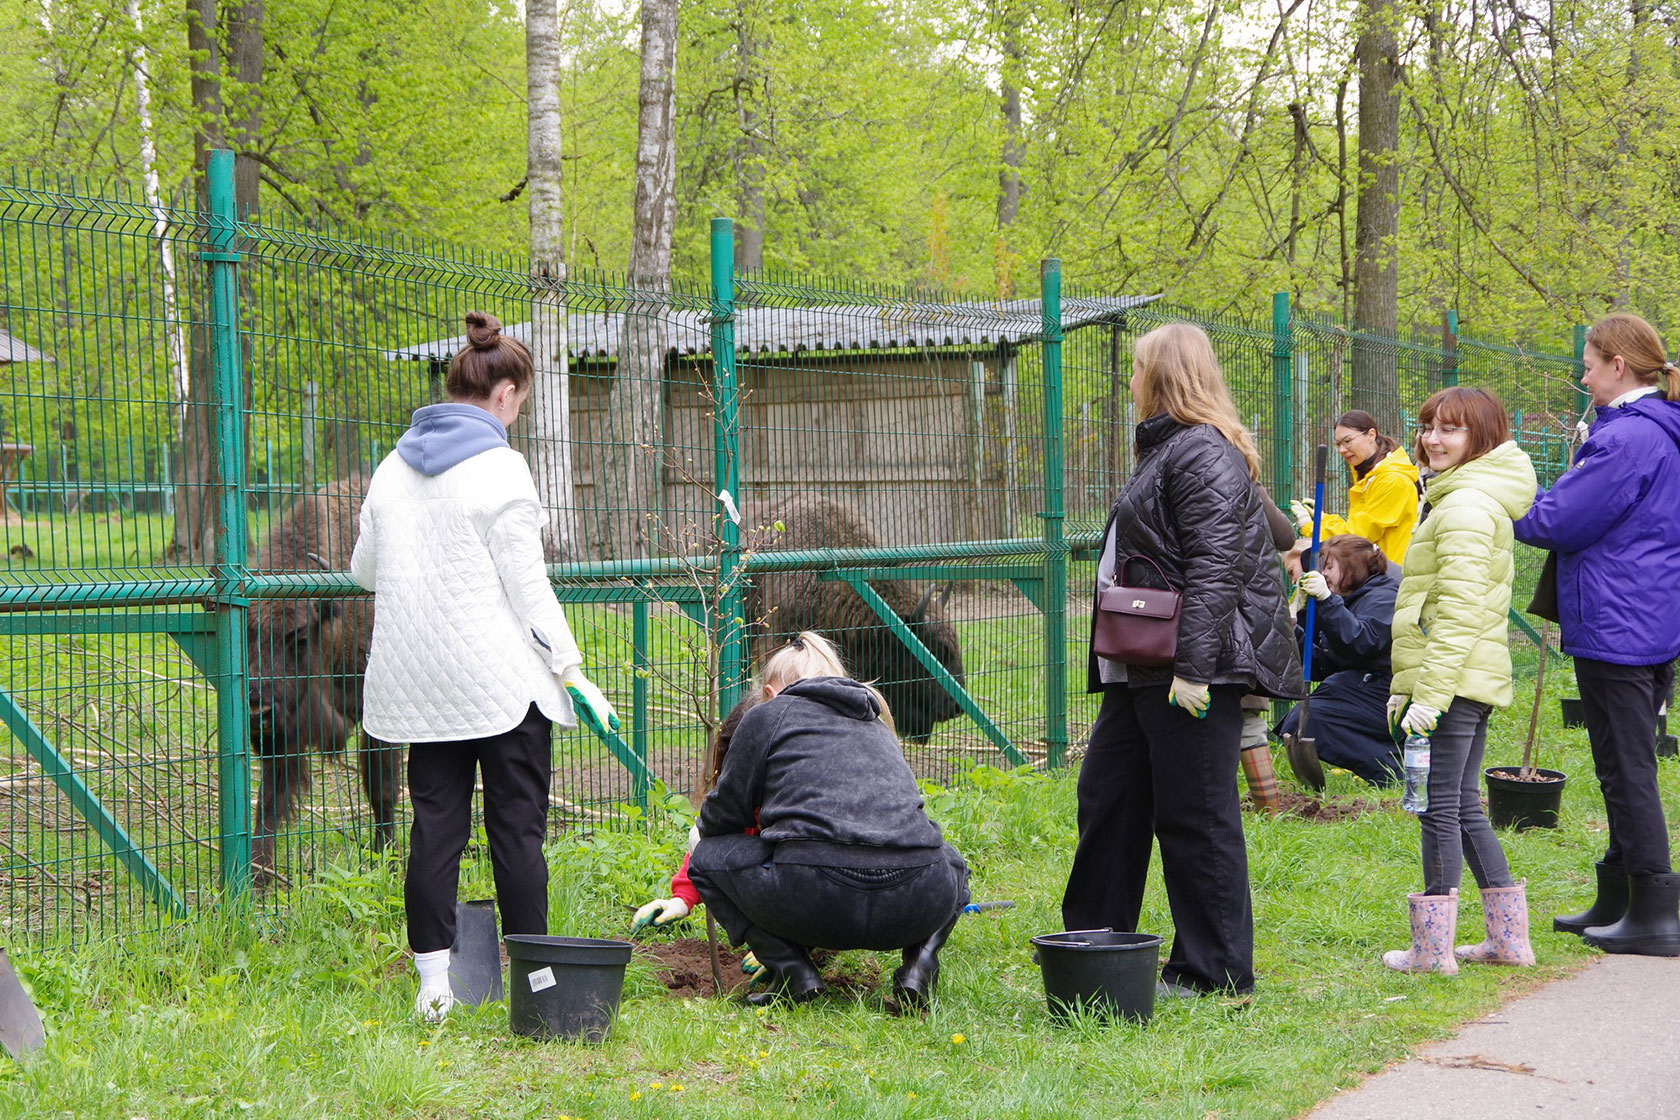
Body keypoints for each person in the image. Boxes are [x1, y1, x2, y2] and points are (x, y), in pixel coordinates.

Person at [350, 310, 619, 1022]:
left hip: (422, 688)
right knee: (516, 832)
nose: (518, 416)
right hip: (502, 687)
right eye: (521, 404)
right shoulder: (502, 466)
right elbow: (529, 587)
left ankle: (434, 988)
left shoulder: (390, 466)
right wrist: (571, 668)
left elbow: (363, 570)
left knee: (434, 829)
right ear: (505, 395)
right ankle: (538, 987)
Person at [1063, 322, 1302, 997]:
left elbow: (1215, 568)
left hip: (1190, 669)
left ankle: (1216, 970)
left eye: (1137, 369)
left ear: (1165, 377)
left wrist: (1194, 671)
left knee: (1195, 815)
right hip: (1141, 666)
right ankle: (1093, 946)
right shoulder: (1168, 450)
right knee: (1108, 799)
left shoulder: (1202, 453)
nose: (1129, 382)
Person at [685, 632, 970, 1009]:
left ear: (771, 693)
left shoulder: (768, 715)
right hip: (915, 899)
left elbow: (721, 820)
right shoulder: (875, 720)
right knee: (952, 861)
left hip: (816, 895)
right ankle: (920, 966)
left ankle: (791, 970)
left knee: (705, 857)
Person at [1513, 313, 1680, 957]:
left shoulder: (1630, 438)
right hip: (1643, 613)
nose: (1582, 376)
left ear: (1618, 366)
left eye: (1588, 365)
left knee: (1627, 766)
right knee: (1620, 762)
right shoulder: (1648, 430)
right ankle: (1620, 896)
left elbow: (1559, 519)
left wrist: (1507, 494)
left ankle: (1656, 909)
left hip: (1620, 619)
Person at [1384, 386, 1536, 974]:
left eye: (1451, 429)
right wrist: (1408, 682)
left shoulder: (1467, 506)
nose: (1432, 439)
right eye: (1427, 426)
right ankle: (1507, 941)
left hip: (1454, 681)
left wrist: (1431, 694)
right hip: (1464, 678)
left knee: (1436, 806)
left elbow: (1460, 611)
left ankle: (1431, 951)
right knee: (1463, 805)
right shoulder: (1458, 497)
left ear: (1483, 437)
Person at [629, 692, 763, 934]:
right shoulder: (739, 801)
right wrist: (682, 899)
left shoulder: (792, 806)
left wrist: (785, 945)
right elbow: (710, 844)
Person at [1276, 534, 1401, 785]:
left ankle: (1393, 770)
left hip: (1388, 695)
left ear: (1353, 565)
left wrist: (1328, 601)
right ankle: (1391, 767)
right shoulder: (1348, 601)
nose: (1324, 575)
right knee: (1302, 720)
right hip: (1364, 689)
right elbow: (1324, 664)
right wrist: (1291, 628)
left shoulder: (1384, 596)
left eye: (1329, 567)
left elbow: (1361, 641)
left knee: (1314, 720)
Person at [1290, 409, 1421, 565]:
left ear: (1371, 435)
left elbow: (1358, 536)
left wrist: (1311, 527)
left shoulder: (1392, 480)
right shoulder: (1371, 476)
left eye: (1348, 441)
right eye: (1338, 444)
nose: (1342, 450)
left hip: (1389, 578)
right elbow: (1360, 524)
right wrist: (1324, 520)